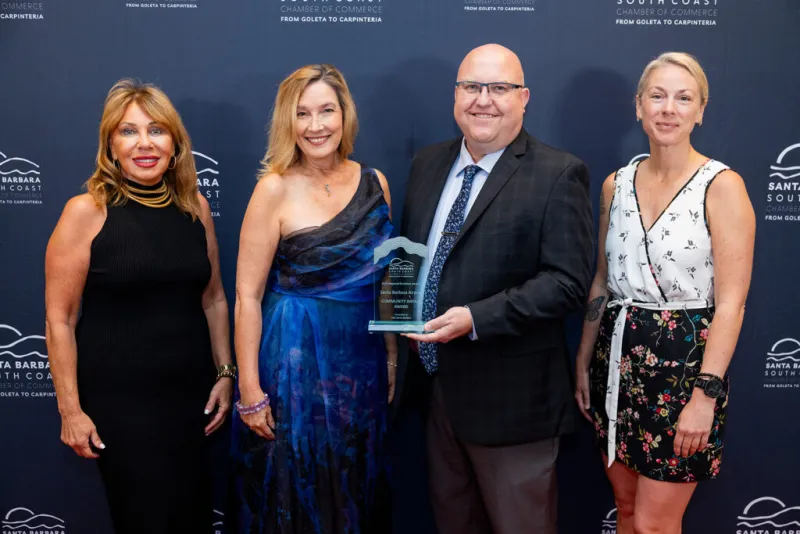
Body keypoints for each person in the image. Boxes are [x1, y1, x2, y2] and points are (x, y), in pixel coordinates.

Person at [400, 44, 594, 534]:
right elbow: (414, 261)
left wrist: (475, 318)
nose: (483, 100)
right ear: (455, 95)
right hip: (436, 396)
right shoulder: (427, 164)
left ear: (523, 98)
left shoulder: (557, 173)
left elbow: (567, 283)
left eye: (499, 88)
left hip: (513, 407)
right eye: (471, 86)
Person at [574, 52, 755, 534]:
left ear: (701, 111)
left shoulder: (722, 186)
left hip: (685, 372)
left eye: (683, 98)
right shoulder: (615, 185)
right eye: (657, 96)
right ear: (638, 106)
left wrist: (705, 395)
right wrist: (584, 361)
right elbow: (602, 280)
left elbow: (732, 303)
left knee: (656, 523)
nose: (668, 109)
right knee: (627, 508)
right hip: (615, 363)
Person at [45, 79, 233, 534]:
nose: (145, 143)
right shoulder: (85, 212)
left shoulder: (195, 207)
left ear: (175, 143)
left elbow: (213, 298)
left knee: (191, 517)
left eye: (157, 130)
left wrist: (226, 373)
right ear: (110, 145)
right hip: (120, 405)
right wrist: (70, 410)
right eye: (129, 132)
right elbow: (59, 319)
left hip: (189, 399)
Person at [230, 64, 395, 534]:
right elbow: (246, 296)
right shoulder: (273, 188)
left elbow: (382, 281)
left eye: (326, 111)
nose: (316, 125)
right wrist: (249, 391)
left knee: (354, 483)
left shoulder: (375, 182)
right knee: (298, 486)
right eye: (302, 113)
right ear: (288, 121)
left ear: (345, 116)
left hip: (360, 366)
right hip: (294, 364)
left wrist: (391, 357)